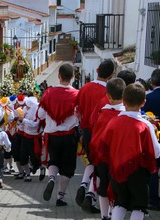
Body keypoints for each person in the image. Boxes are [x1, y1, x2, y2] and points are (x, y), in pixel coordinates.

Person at [100, 83, 160, 220]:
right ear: (144, 103)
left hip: (117, 169)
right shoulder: (145, 125)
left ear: (123, 101)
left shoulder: (114, 121)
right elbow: (155, 152)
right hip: (137, 172)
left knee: (120, 201)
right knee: (139, 205)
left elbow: (104, 145)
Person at [37, 63, 79, 206]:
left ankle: (52, 178)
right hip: (69, 136)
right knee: (67, 168)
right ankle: (60, 197)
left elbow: (41, 114)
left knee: (53, 161)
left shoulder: (48, 93)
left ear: (59, 76)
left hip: (52, 136)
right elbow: (80, 116)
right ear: (73, 77)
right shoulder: (77, 95)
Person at [88, 78, 126, 220]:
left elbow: (95, 134)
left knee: (103, 189)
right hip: (120, 161)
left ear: (108, 96)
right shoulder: (127, 115)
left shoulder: (102, 113)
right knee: (118, 192)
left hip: (103, 158)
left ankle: (105, 219)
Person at [75, 59, 114, 210]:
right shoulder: (110, 93)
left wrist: (82, 129)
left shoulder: (85, 88)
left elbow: (78, 110)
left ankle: (86, 185)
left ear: (97, 70)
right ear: (111, 75)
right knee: (101, 165)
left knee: (92, 162)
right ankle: (91, 195)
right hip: (103, 133)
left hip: (87, 131)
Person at [141, 69, 160, 209]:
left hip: (154, 137)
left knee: (154, 169)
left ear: (152, 83)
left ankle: (153, 198)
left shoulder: (149, 99)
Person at [18, 96, 45, 182]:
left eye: (28, 105)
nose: (26, 106)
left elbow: (35, 125)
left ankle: (42, 168)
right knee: (22, 156)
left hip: (35, 137)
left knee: (35, 157)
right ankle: (28, 174)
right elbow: (22, 121)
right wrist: (19, 121)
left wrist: (24, 121)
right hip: (25, 136)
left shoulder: (38, 111)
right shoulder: (25, 109)